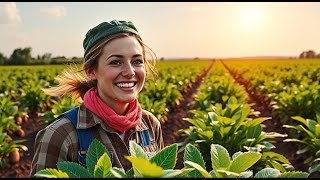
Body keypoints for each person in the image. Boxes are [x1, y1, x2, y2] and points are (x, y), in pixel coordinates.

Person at [30, 19, 164, 177]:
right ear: (91, 71)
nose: (130, 72)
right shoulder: (60, 135)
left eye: (137, 61)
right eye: (116, 62)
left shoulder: (150, 124)